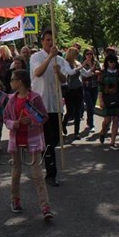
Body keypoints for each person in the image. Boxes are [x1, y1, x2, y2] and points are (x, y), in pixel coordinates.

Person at [4, 69, 54, 220]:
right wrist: (15, 123)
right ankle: (15, 200)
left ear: (20, 81)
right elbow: (6, 119)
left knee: (37, 174)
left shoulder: (35, 98)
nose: (11, 82)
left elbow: (44, 117)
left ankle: (45, 207)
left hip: (32, 139)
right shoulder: (11, 99)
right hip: (16, 139)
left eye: (13, 79)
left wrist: (32, 121)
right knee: (16, 172)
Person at [29, 29, 73, 187]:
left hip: (55, 104)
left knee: (54, 139)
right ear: (42, 42)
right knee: (48, 140)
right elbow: (38, 73)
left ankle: (44, 158)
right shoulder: (36, 57)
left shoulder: (60, 60)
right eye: (47, 40)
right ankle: (51, 173)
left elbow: (64, 81)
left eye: (52, 40)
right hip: (41, 105)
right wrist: (49, 57)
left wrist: (59, 72)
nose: (50, 42)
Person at [98, 54, 119, 150]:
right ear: (107, 62)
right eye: (110, 61)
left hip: (117, 98)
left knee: (116, 120)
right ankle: (102, 131)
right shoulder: (103, 73)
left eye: (114, 61)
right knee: (107, 120)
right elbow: (100, 88)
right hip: (107, 98)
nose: (112, 63)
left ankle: (112, 142)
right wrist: (101, 100)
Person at [62, 47, 84, 140]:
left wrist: (91, 69)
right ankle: (63, 124)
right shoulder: (65, 63)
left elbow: (85, 73)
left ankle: (76, 132)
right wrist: (81, 66)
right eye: (76, 53)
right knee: (70, 111)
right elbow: (70, 72)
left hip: (78, 88)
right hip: (70, 90)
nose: (77, 55)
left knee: (78, 111)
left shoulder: (77, 63)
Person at [80, 48, 100, 133]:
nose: (89, 55)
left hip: (94, 87)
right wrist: (92, 72)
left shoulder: (96, 62)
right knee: (89, 106)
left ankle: (89, 121)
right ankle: (91, 124)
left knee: (92, 106)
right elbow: (84, 75)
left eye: (90, 54)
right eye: (87, 54)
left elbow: (100, 71)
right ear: (84, 55)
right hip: (85, 87)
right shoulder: (82, 64)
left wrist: (96, 72)